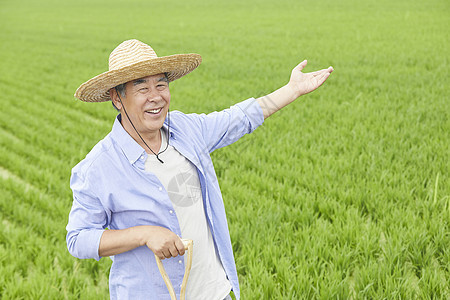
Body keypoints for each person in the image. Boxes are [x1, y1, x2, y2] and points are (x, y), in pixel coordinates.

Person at [66, 39, 333, 300]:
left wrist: (292, 90)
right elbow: (78, 239)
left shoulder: (185, 130)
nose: (156, 96)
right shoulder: (98, 167)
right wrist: (144, 234)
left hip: (215, 291)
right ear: (117, 98)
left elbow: (237, 118)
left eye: (161, 84)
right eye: (142, 88)